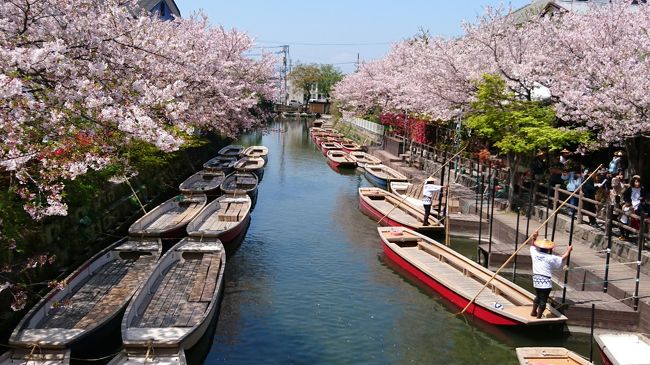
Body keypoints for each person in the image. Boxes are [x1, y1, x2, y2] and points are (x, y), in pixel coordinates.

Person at [528, 231, 573, 319]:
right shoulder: (551, 257)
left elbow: (532, 246)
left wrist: (534, 238)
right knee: (543, 300)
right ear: (548, 249)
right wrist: (568, 250)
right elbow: (562, 258)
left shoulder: (535, 254)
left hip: (536, 280)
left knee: (538, 296)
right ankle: (538, 317)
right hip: (545, 282)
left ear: (540, 247)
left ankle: (533, 312)